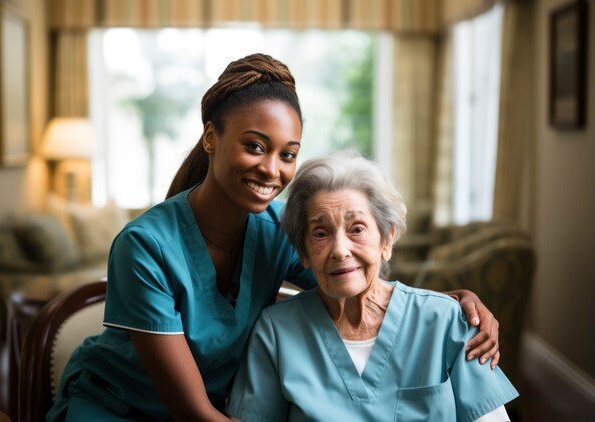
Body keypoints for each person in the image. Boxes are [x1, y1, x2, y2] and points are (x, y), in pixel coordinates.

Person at [47, 54, 500, 421]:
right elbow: (193, 413)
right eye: (255, 146)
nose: (272, 170)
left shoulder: (279, 229)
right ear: (210, 137)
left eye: (288, 154)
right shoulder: (143, 247)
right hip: (121, 409)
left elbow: (351, 279)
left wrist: (452, 305)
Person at [227, 152, 518, 422]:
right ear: (303, 252)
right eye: (320, 233)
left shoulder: (448, 322)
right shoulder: (275, 333)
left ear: (387, 240)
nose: (340, 250)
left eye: (357, 229)